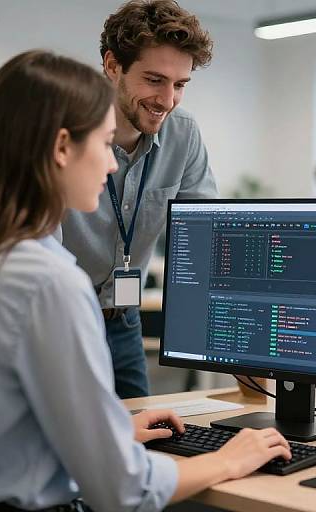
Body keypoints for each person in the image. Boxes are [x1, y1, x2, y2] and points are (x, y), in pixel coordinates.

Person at [0, 50, 290, 512]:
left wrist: (108, 432)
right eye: (104, 142)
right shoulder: (48, 282)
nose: (113, 164)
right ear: (60, 148)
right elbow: (124, 490)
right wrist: (230, 460)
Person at [61, 0, 218, 399]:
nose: (167, 100)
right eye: (154, 80)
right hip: (61, 319)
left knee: (149, 435)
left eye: (179, 84)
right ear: (113, 66)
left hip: (123, 318)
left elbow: (204, 236)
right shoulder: (66, 134)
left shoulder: (183, 134)